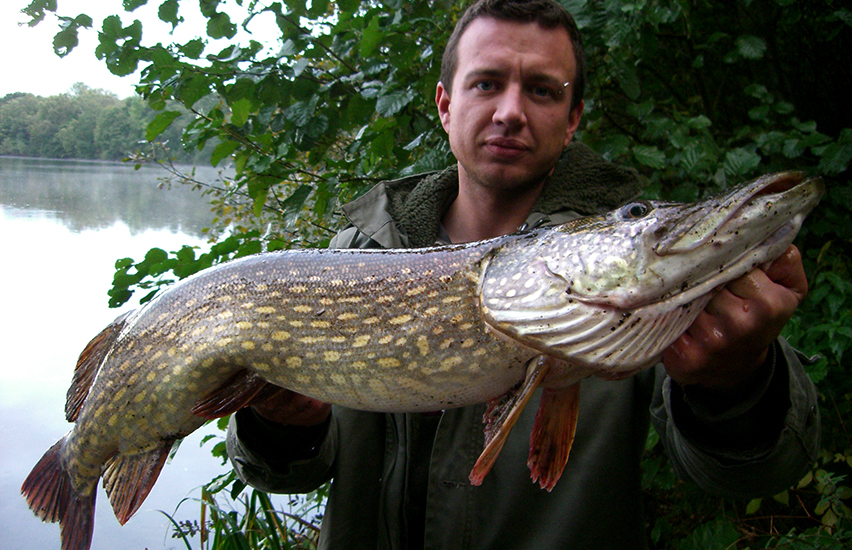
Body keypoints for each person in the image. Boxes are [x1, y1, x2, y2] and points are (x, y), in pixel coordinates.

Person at [226, 1, 820, 548]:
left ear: (572, 117)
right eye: (486, 84)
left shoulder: (640, 287)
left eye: (540, 90)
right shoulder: (353, 257)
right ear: (445, 105)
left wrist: (739, 384)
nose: (510, 112)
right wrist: (276, 425)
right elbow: (285, 473)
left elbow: (756, 471)